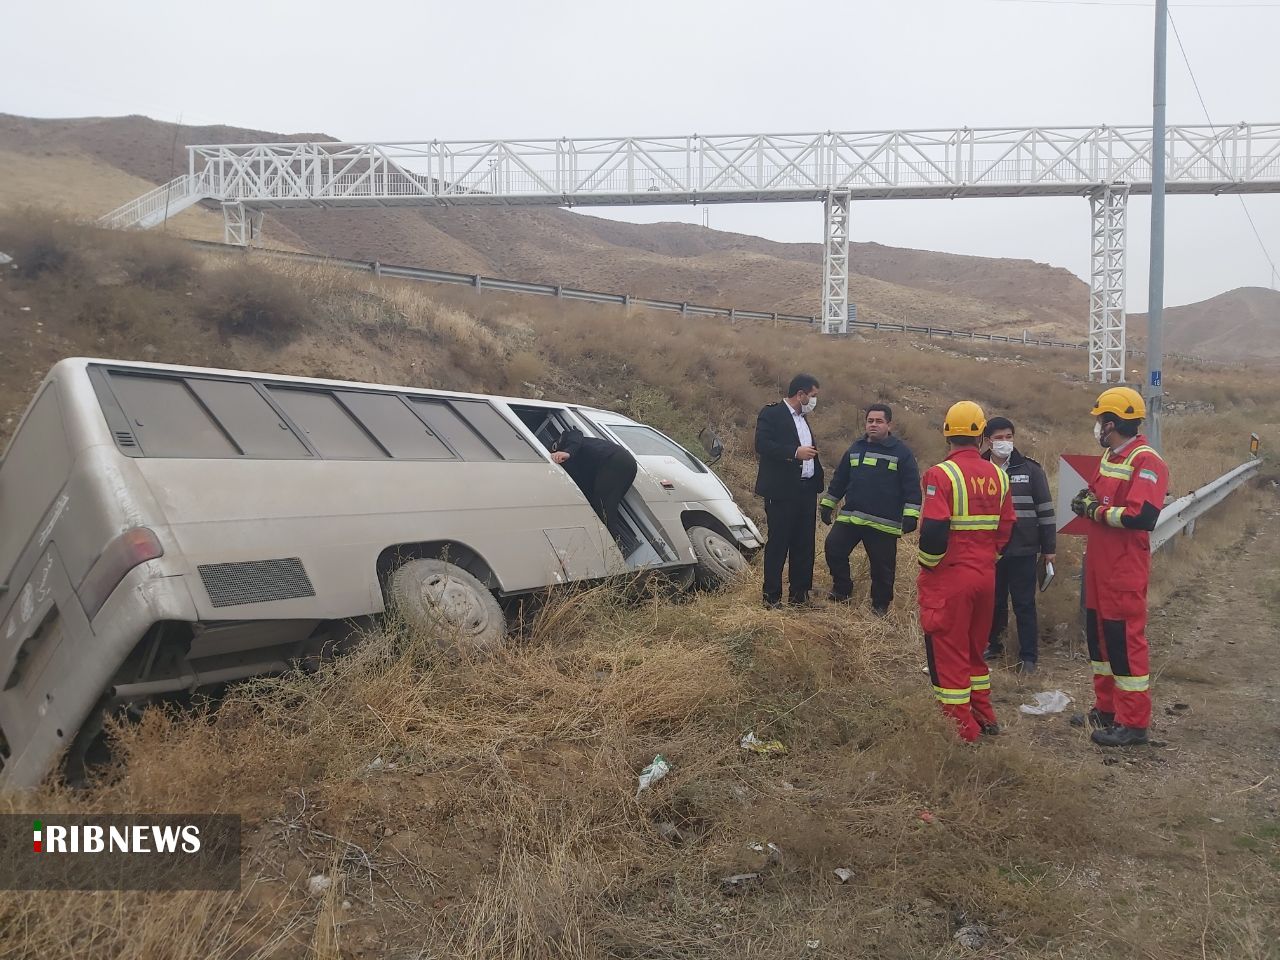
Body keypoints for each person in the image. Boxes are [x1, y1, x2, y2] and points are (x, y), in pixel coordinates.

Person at [1070, 387, 1169, 748]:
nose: (1097, 428)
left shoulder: (1146, 461)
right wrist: (1085, 499)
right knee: (1099, 641)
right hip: (1099, 565)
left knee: (1124, 643)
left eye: (1099, 421)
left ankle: (1133, 722)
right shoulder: (1113, 456)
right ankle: (1107, 709)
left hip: (1124, 569)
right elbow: (1097, 495)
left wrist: (1094, 511)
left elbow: (1143, 516)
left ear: (1110, 423)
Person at [916, 401, 1016, 742]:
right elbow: (1006, 529)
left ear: (947, 432)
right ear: (982, 436)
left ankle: (962, 729)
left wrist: (929, 565)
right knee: (975, 650)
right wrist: (988, 559)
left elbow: (932, 530)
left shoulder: (940, 475)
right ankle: (984, 715)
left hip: (949, 579)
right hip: (985, 576)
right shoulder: (999, 477)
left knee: (949, 653)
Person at [819, 403, 922, 614]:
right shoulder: (855, 448)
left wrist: (911, 515)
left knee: (883, 568)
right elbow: (840, 479)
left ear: (889, 424)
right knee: (833, 548)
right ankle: (842, 590)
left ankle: (880, 605)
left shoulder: (902, 453)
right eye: (870, 421)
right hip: (852, 516)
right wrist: (828, 504)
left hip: (883, 522)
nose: (873, 425)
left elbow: (912, 486)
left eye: (879, 421)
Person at [980, 417, 1057, 674]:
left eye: (1009, 437)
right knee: (993, 601)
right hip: (990, 550)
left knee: (1024, 603)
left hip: (1023, 548)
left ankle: (1028, 657)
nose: (1005, 442)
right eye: (999, 438)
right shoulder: (979, 468)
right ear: (987, 440)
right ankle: (995, 645)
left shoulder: (1030, 470)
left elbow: (1045, 511)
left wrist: (1049, 549)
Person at [754, 374, 824, 608]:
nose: (814, 401)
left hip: (806, 491)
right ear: (800, 394)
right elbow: (762, 445)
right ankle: (771, 599)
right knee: (779, 544)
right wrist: (794, 452)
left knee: (804, 545)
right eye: (812, 396)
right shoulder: (772, 413)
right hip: (781, 492)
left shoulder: (804, 419)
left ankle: (799, 597)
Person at [551, 427, 639, 538]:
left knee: (603, 508)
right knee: (605, 507)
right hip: (622, 462)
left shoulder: (567, 438)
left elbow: (576, 434)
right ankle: (616, 543)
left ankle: (615, 546)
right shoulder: (573, 464)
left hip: (613, 460)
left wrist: (567, 452)